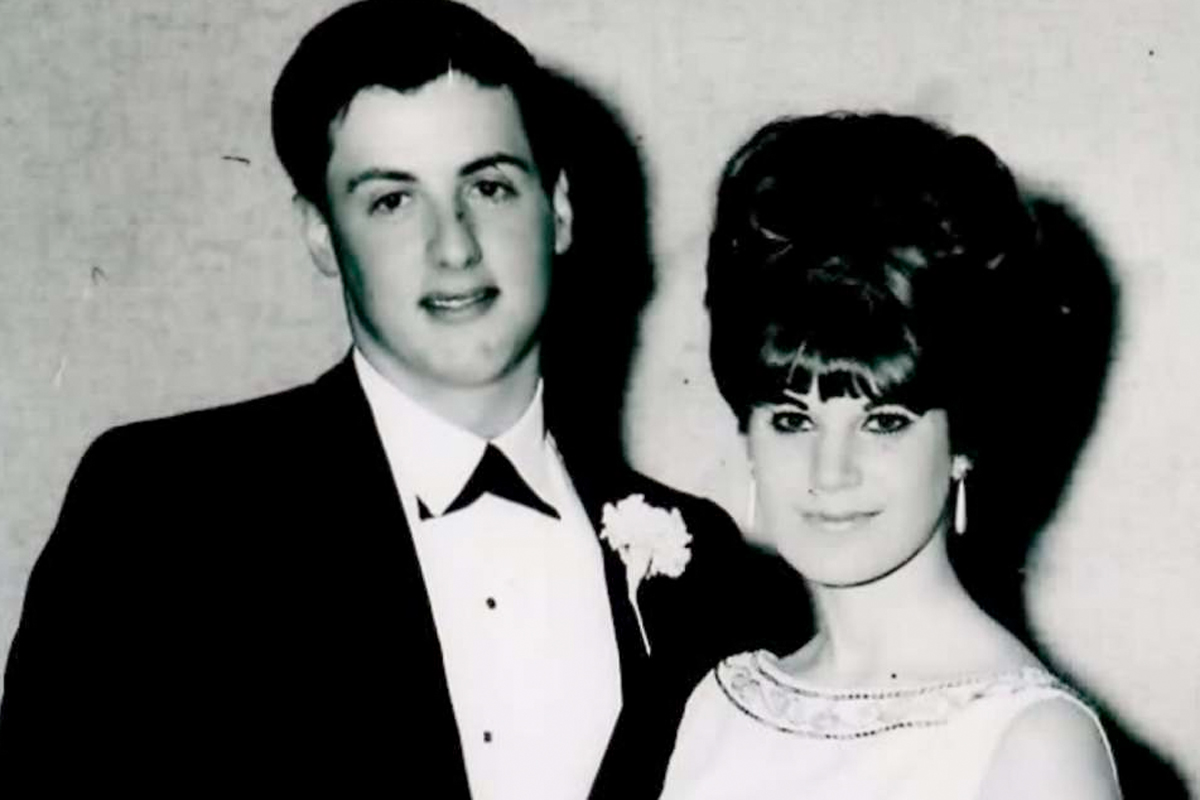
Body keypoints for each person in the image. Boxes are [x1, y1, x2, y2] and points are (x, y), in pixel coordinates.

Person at [0, 2, 803, 795]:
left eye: (488, 187)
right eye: (392, 199)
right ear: (320, 233)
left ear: (558, 210)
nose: (453, 246)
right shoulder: (161, 509)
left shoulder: (710, 568)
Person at [658, 113, 1123, 799]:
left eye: (883, 423)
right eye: (792, 420)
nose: (829, 471)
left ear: (962, 440)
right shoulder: (719, 709)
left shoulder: (1032, 746)